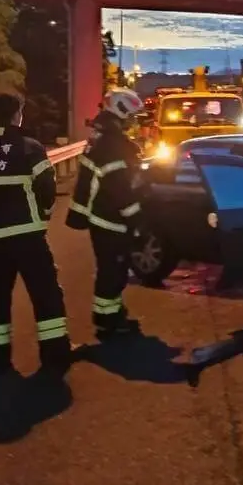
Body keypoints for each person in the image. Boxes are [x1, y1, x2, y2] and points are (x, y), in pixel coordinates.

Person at [0, 88, 72, 375]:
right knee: (45, 295)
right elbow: (46, 185)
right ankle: (55, 358)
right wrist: (42, 217)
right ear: (16, 115)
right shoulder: (29, 147)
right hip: (28, 236)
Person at [66, 88, 145, 337]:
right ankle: (107, 321)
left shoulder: (102, 138)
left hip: (101, 217)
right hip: (110, 220)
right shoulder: (112, 145)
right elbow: (119, 188)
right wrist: (137, 218)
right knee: (113, 271)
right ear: (120, 112)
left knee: (111, 269)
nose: (133, 121)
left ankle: (111, 313)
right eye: (131, 116)